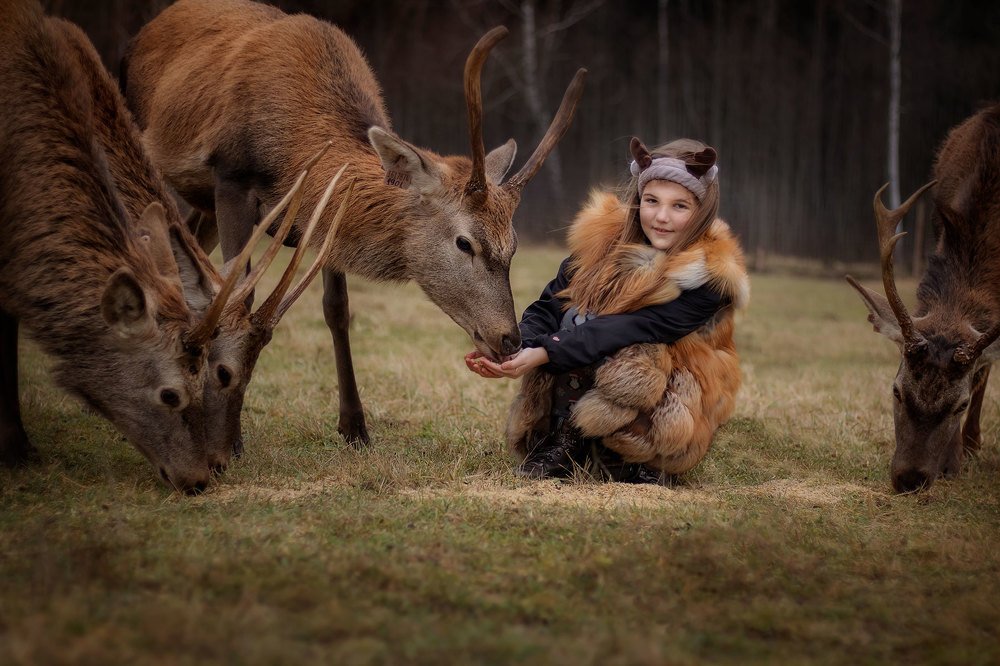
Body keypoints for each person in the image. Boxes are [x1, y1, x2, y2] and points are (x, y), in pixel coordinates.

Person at [465, 137, 749, 483]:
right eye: (651, 201)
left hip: (673, 400)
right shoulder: (600, 246)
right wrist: (519, 348)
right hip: (597, 385)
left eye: (680, 207)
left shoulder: (710, 278)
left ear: (701, 212)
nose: (661, 217)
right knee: (570, 321)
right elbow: (550, 304)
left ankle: (639, 456)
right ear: (638, 200)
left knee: (626, 345)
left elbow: (631, 327)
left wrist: (544, 351)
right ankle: (565, 441)